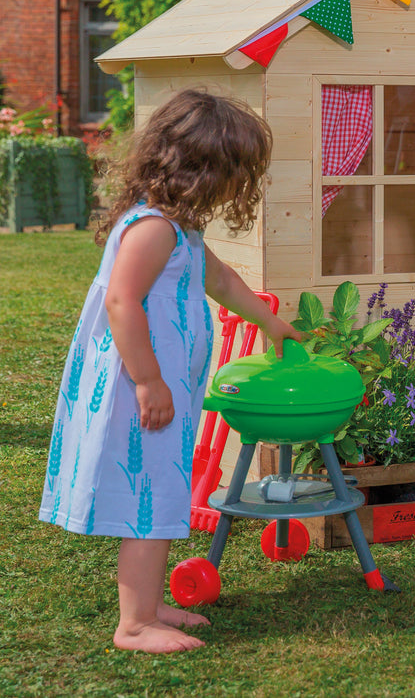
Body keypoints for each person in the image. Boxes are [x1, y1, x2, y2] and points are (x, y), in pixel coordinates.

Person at [38, 89, 302, 654]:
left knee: (159, 494)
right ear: (203, 170)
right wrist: (150, 381)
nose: (238, 187)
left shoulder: (181, 228)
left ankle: (150, 604)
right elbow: (122, 302)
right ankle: (132, 625)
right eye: (235, 173)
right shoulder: (153, 229)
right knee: (149, 500)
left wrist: (270, 323)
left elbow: (222, 280)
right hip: (140, 389)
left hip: (159, 386)